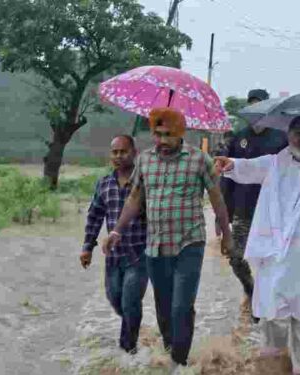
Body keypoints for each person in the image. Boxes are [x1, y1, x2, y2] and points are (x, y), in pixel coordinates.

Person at [214, 116, 300, 374]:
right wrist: (229, 164)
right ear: (288, 135)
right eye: (296, 133)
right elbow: (246, 168)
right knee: (273, 323)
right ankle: (274, 369)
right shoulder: (275, 163)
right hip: (276, 260)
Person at [104, 108, 233, 373]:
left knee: (181, 307)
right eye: (157, 134)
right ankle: (171, 350)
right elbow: (135, 198)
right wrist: (116, 230)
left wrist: (227, 234)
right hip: (156, 245)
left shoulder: (199, 159)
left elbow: (217, 198)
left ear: (181, 134)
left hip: (189, 243)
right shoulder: (146, 160)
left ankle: (179, 364)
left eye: (168, 135)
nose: (162, 140)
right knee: (163, 310)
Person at [216, 88, 289, 322]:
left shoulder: (282, 138)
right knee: (236, 257)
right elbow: (227, 176)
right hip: (243, 209)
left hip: (272, 212)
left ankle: (267, 303)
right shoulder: (238, 137)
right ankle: (251, 290)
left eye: (261, 105)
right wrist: (222, 216)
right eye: (252, 106)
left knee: (269, 260)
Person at [81, 135, 148, 355]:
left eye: (123, 151)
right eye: (114, 152)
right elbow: (95, 216)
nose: (118, 156)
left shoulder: (144, 182)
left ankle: (128, 350)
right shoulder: (104, 184)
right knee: (115, 299)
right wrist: (87, 247)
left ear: (134, 153)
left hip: (139, 255)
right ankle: (133, 326)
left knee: (129, 300)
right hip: (113, 257)